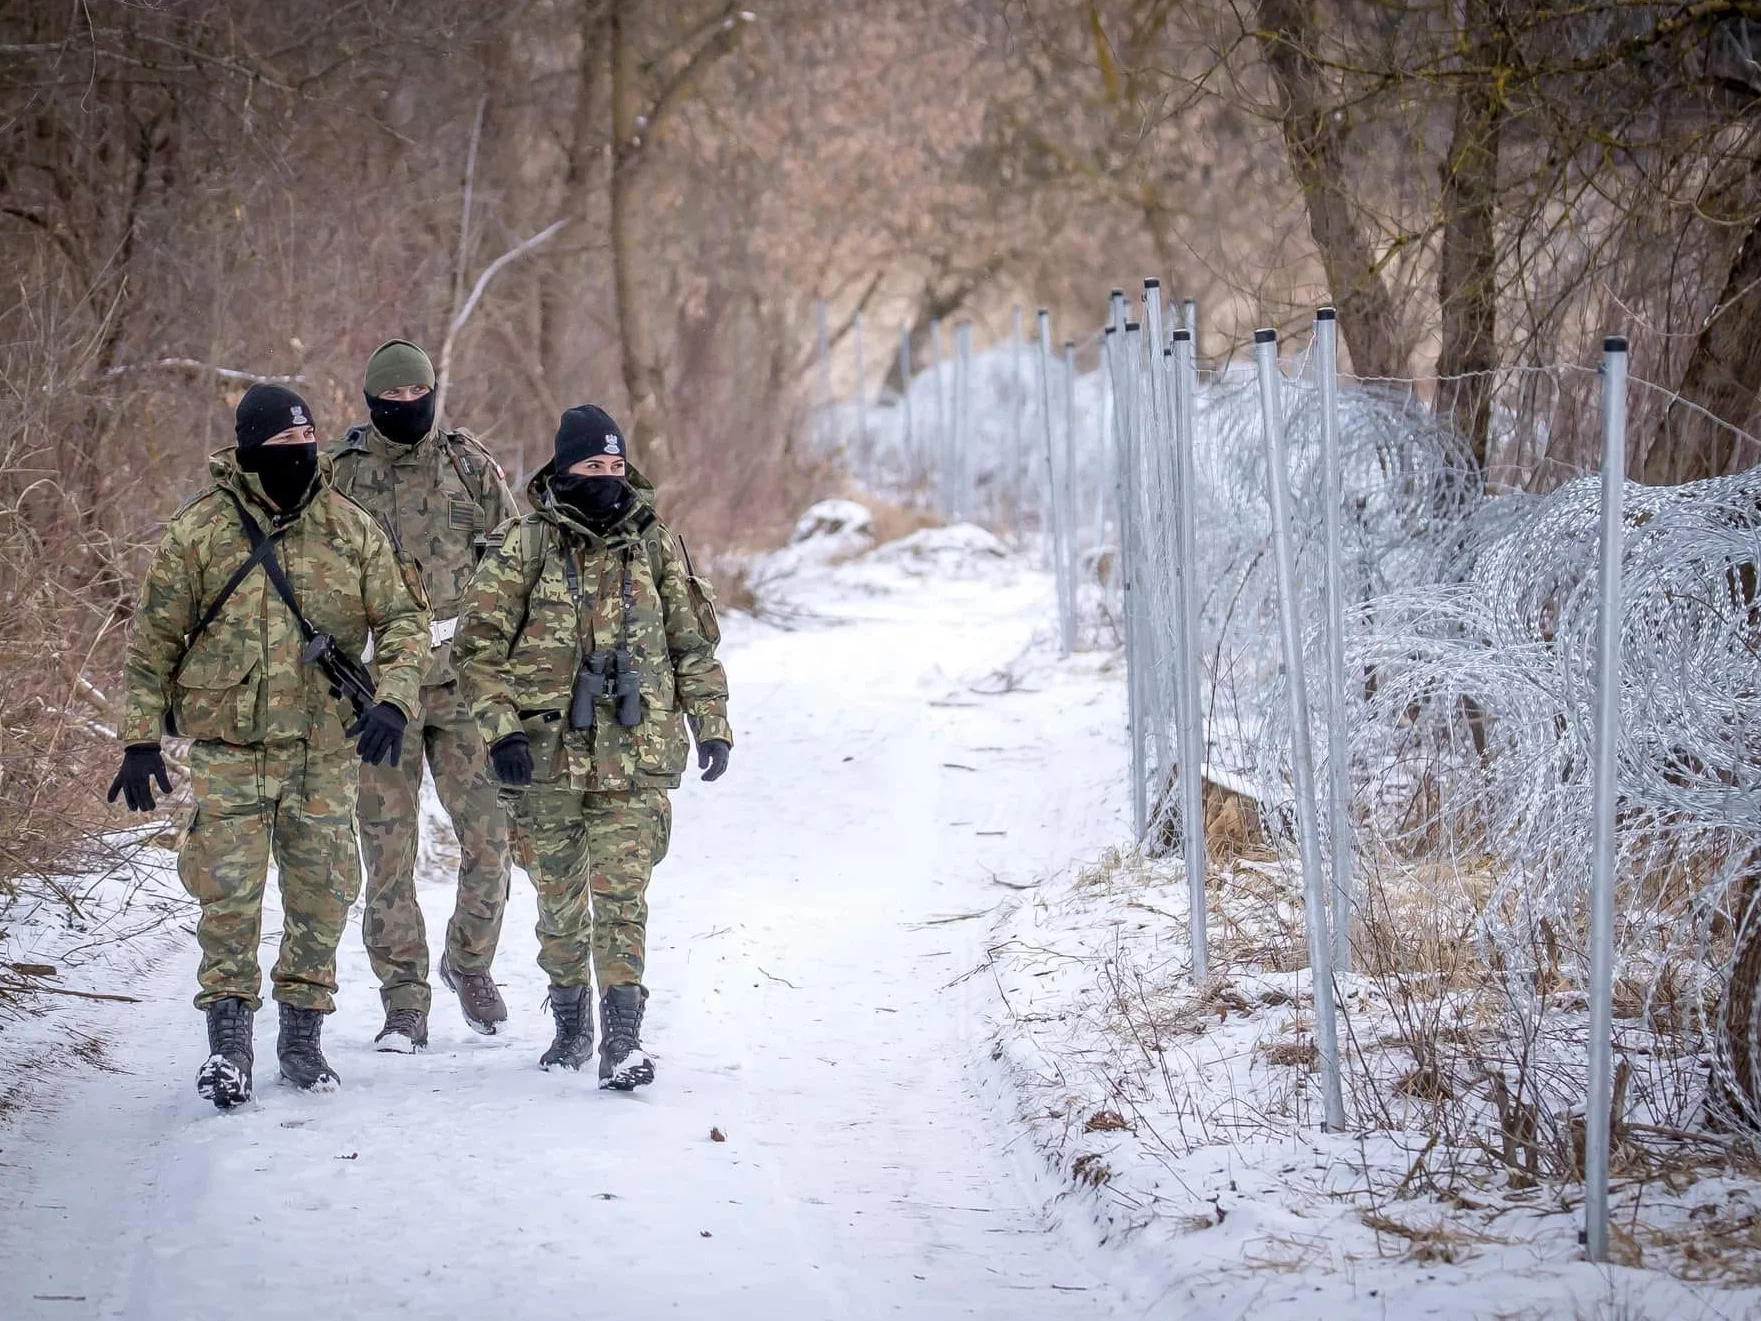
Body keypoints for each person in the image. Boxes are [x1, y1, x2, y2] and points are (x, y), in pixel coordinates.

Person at [110, 383, 431, 1109]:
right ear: (250, 450)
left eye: (306, 441)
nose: (298, 455)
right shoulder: (199, 532)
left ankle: (301, 1036)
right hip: (230, 748)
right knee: (228, 898)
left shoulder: (352, 529)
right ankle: (228, 1045)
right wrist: (139, 737)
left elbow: (407, 622)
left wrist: (394, 697)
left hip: (324, 751)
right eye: (282, 446)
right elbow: (152, 643)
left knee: (322, 897)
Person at [453, 405, 731, 1088]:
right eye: (591, 466)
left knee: (623, 896)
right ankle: (572, 1022)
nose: (605, 478)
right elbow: (477, 652)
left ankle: (623, 1041)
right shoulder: (523, 545)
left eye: (614, 465)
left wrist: (712, 723)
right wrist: (502, 729)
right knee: (558, 902)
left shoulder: (655, 543)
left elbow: (693, 645)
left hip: (636, 758)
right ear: (564, 468)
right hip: (543, 761)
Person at [329, 340, 520, 1052]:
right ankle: (403, 999)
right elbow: (314, 574)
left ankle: (468, 964)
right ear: (372, 404)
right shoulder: (340, 476)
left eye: (419, 400)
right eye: (392, 405)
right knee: (387, 849)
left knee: (489, 835)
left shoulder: (469, 465)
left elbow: (514, 561)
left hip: (466, 683)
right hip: (383, 695)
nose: (407, 412)